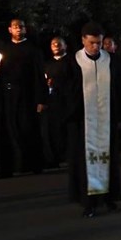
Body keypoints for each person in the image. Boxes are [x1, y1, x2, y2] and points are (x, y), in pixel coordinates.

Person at [65, 23, 121, 218]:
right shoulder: (73, 62)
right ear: (83, 40)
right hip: (82, 123)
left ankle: (108, 197)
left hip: (107, 120)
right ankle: (88, 202)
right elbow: (65, 93)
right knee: (84, 162)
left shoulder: (113, 61)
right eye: (92, 42)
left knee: (110, 159)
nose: (96, 47)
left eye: (99, 43)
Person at [0, 18, 47, 178]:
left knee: (28, 128)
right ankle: (6, 167)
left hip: (27, 96)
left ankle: (32, 164)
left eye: (21, 26)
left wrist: (41, 99)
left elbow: (39, 75)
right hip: (8, 96)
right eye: (15, 26)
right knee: (8, 129)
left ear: (25, 29)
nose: (18, 29)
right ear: (10, 29)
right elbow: (0, 73)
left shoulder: (33, 50)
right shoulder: (4, 49)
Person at [42, 36, 71, 168]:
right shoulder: (47, 64)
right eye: (53, 44)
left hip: (67, 101)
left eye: (59, 44)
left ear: (65, 46)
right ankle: (55, 157)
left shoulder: (71, 62)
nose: (56, 46)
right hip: (52, 102)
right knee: (53, 130)